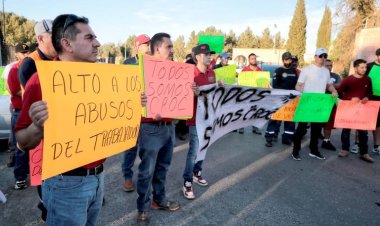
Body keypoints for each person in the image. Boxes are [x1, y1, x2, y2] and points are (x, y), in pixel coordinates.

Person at [15, 14, 105, 225]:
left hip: (99, 178)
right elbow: (22, 142)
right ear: (67, 44)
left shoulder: (101, 79)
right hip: (66, 183)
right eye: (90, 38)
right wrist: (37, 126)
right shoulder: (40, 81)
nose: (97, 43)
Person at [136, 32, 180, 226]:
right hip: (150, 128)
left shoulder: (174, 70)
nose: (172, 50)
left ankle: (158, 200)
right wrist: (138, 100)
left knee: (163, 167)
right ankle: (143, 209)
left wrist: (192, 92)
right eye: (169, 47)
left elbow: (180, 97)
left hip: (169, 127)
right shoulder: (141, 70)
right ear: (157, 49)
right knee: (147, 171)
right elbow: (128, 98)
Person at [16, 18, 57, 222]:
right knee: (45, 176)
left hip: (60, 133)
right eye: (54, 36)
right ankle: (46, 208)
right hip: (40, 131)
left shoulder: (60, 60)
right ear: (40, 38)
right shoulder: (30, 63)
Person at [182, 44, 217, 200]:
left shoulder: (212, 74)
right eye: (206, 54)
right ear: (197, 57)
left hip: (207, 118)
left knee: (204, 147)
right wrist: (194, 94)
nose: (209, 56)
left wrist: (220, 88)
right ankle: (187, 182)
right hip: (194, 119)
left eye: (210, 54)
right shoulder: (189, 74)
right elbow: (181, 98)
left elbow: (213, 95)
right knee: (193, 151)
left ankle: (197, 173)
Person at [291, 48, 338, 161]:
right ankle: (295, 151)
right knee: (301, 129)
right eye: (320, 56)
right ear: (315, 57)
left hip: (319, 104)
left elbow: (329, 85)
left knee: (316, 130)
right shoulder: (306, 70)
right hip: (307, 103)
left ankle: (314, 150)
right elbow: (298, 85)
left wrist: (334, 90)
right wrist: (301, 92)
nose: (322, 58)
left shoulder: (326, 71)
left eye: (324, 56)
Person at [122, 34, 151, 193]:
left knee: (147, 148)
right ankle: (127, 176)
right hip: (131, 113)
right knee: (130, 147)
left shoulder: (153, 62)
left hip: (148, 114)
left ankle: (144, 176)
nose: (148, 47)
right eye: (146, 44)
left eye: (150, 44)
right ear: (138, 46)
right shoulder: (128, 63)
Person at [337, 59, 374, 163]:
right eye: (362, 67)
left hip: (362, 109)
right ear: (356, 68)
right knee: (346, 129)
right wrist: (350, 98)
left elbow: (370, 92)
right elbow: (340, 92)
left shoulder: (367, 79)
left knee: (363, 131)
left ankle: (364, 153)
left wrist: (367, 97)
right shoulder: (348, 79)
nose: (364, 69)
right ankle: (345, 149)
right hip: (349, 108)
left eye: (365, 67)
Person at [7, 43, 30, 190]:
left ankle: (31, 172)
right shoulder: (14, 69)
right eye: (22, 52)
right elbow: (15, 91)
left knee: (35, 146)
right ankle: (20, 178)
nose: (26, 54)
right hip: (20, 111)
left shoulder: (32, 66)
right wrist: (31, 91)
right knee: (21, 147)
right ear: (16, 54)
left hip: (31, 111)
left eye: (27, 51)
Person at [265, 52, 297, 147]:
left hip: (291, 100)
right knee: (274, 119)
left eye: (290, 59)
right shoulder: (278, 71)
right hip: (279, 100)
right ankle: (269, 138)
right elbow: (275, 85)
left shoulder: (293, 72)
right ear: (283, 60)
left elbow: (297, 85)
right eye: (286, 59)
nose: (288, 61)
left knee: (289, 120)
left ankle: (287, 139)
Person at [18, 19, 57, 89]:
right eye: (54, 37)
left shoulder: (63, 59)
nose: (59, 40)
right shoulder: (29, 65)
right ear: (40, 39)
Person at [239, 53, 263, 135]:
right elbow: (240, 82)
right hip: (246, 95)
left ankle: (255, 128)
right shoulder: (245, 70)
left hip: (256, 95)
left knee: (255, 112)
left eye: (255, 58)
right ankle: (241, 127)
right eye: (252, 58)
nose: (254, 60)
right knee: (244, 111)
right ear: (249, 60)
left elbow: (263, 82)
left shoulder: (260, 70)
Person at [321, 59, 341, 151]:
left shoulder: (335, 76)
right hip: (320, 102)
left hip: (331, 102)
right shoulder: (319, 75)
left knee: (329, 124)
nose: (329, 67)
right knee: (316, 122)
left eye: (330, 65)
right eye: (327, 65)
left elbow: (340, 85)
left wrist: (329, 86)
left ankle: (326, 141)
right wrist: (330, 86)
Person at [366, 48, 380, 155]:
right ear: (377, 55)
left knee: (378, 124)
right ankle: (357, 143)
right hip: (369, 98)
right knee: (364, 122)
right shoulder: (369, 66)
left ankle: (376, 146)